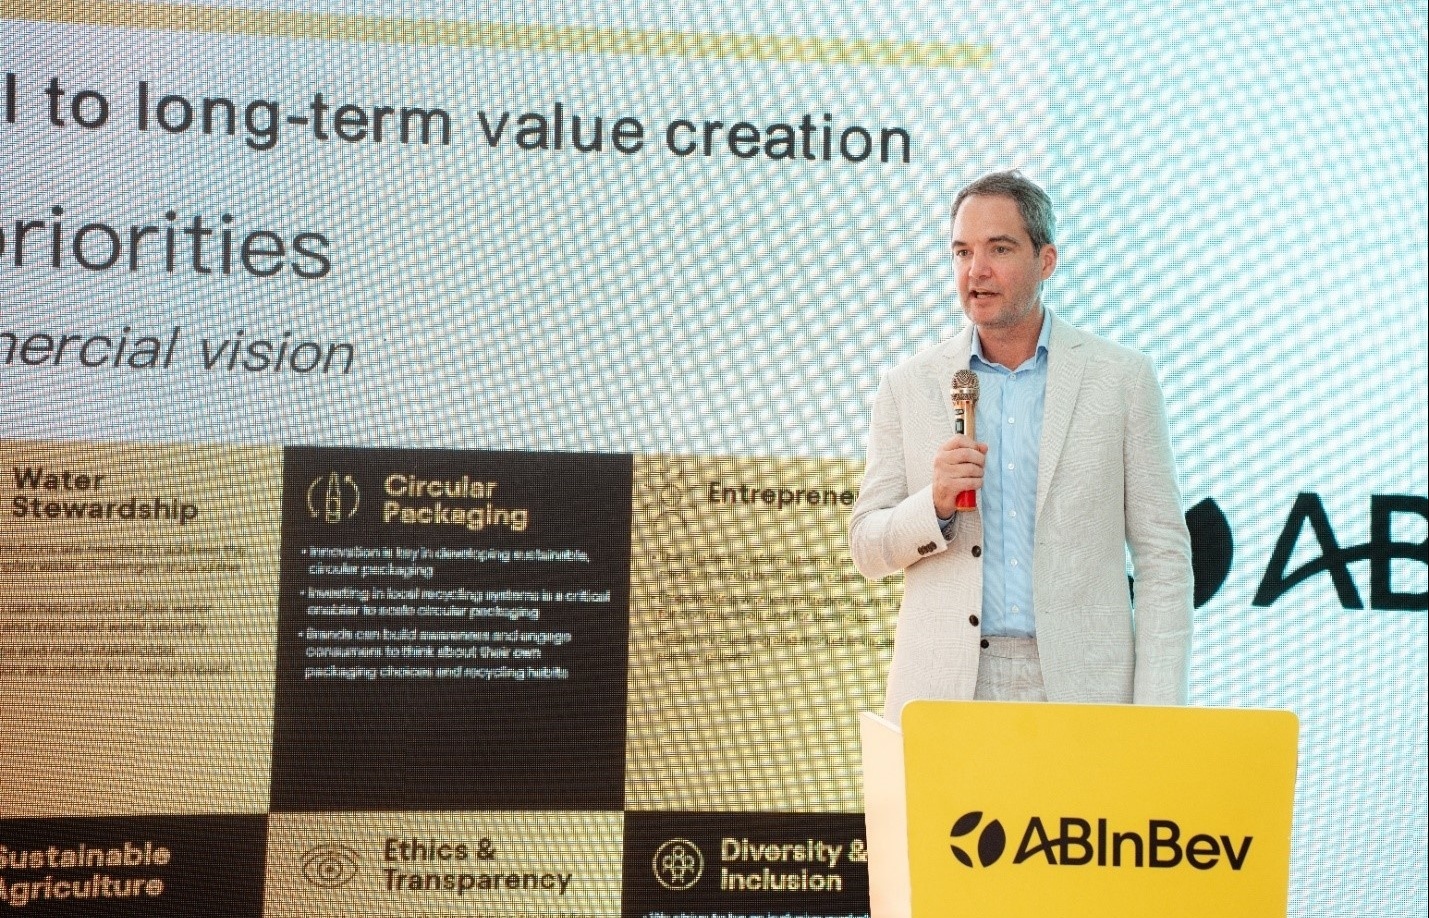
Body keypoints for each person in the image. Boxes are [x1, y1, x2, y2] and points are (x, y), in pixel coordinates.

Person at [848, 170, 1192, 724]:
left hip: (1085, 692)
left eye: (999, 249)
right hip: (946, 695)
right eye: (962, 252)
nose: (976, 271)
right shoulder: (909, 385)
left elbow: (1164, 559)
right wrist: (934, 504)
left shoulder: (1122, 379)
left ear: (1046, 261)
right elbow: (867, 547)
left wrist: (1159, 713)